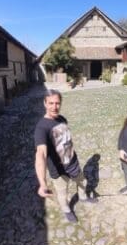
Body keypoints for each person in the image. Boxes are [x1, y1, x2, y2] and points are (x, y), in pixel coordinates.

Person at [34, 90, 91, 223]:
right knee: (62, 192)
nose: (54, 107)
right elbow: (40, 154)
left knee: (82, 181)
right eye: (51, 103)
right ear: (45, 103)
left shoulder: (62, 119)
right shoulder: (41, 128)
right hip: (58, 170)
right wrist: (42, 183)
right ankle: (67, 210)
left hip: (72, 162)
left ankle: (82, 197)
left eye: (57, 103)